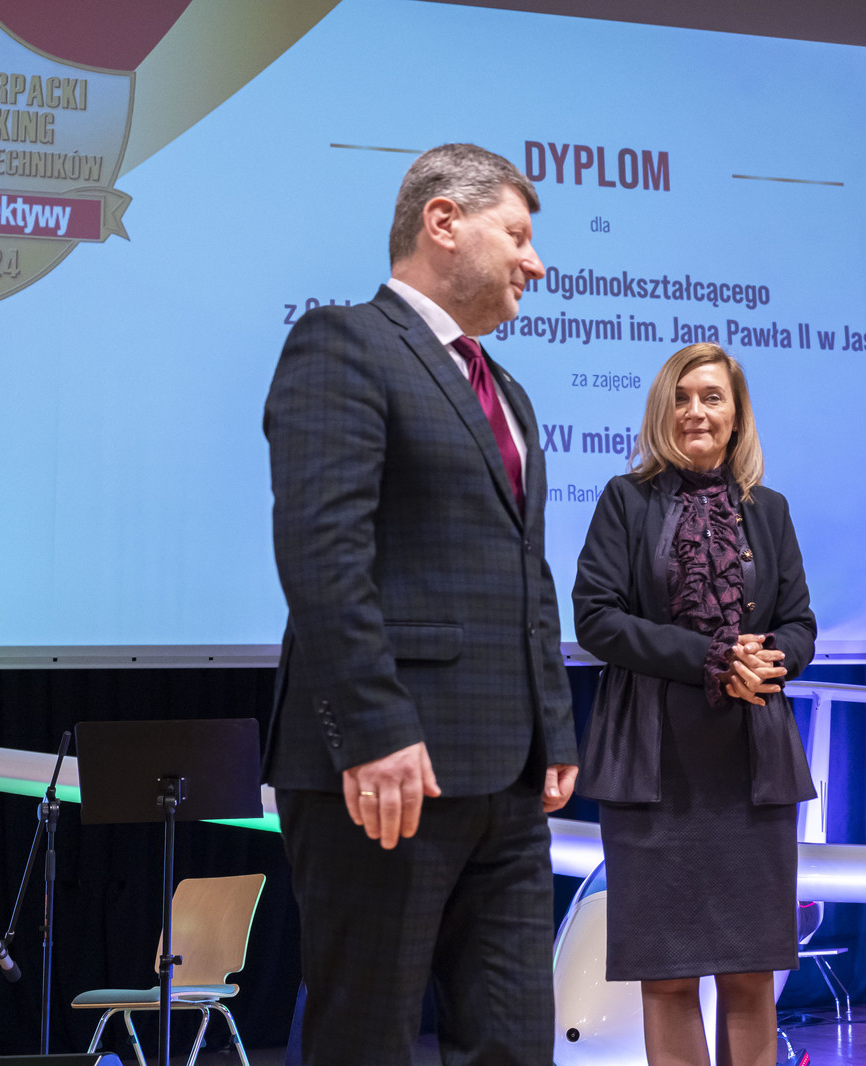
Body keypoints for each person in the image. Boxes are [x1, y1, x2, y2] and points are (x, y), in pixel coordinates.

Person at [263, 143, 578, 1066]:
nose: (536, 263)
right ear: (444, 222)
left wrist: (554, 728)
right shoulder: (343, 344)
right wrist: (372, 730)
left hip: (507, 779)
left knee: (516, 1044)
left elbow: (527, 571)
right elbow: (323, 553)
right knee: (368, 1043)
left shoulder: (508, 392)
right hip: (386, 772)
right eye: (517, 235)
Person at [573, 343, 817, 1066]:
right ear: (661, 412)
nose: (695, 412)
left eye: (711, 397)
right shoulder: (626, 500)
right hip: (653, 763)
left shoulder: (769, 510)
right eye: (680, 398)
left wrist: (767, 661)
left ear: (736, 414)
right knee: (668, 975)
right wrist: (712, 658)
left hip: (751, 763)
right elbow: (596, 618)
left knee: (751, 970)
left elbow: (800, 624)